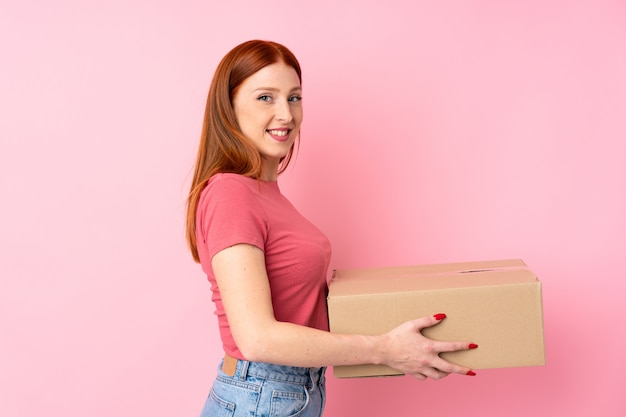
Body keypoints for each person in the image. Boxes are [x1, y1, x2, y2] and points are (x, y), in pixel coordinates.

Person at [186, 39, 478, 417]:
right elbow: (257, 338)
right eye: (265, 98)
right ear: (229, 107)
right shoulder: (230, 194)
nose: (286, 114)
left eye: (294, 98)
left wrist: (405, 337)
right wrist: (386, 349)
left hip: (288, 391)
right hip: (261, 394)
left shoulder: (265, 194)